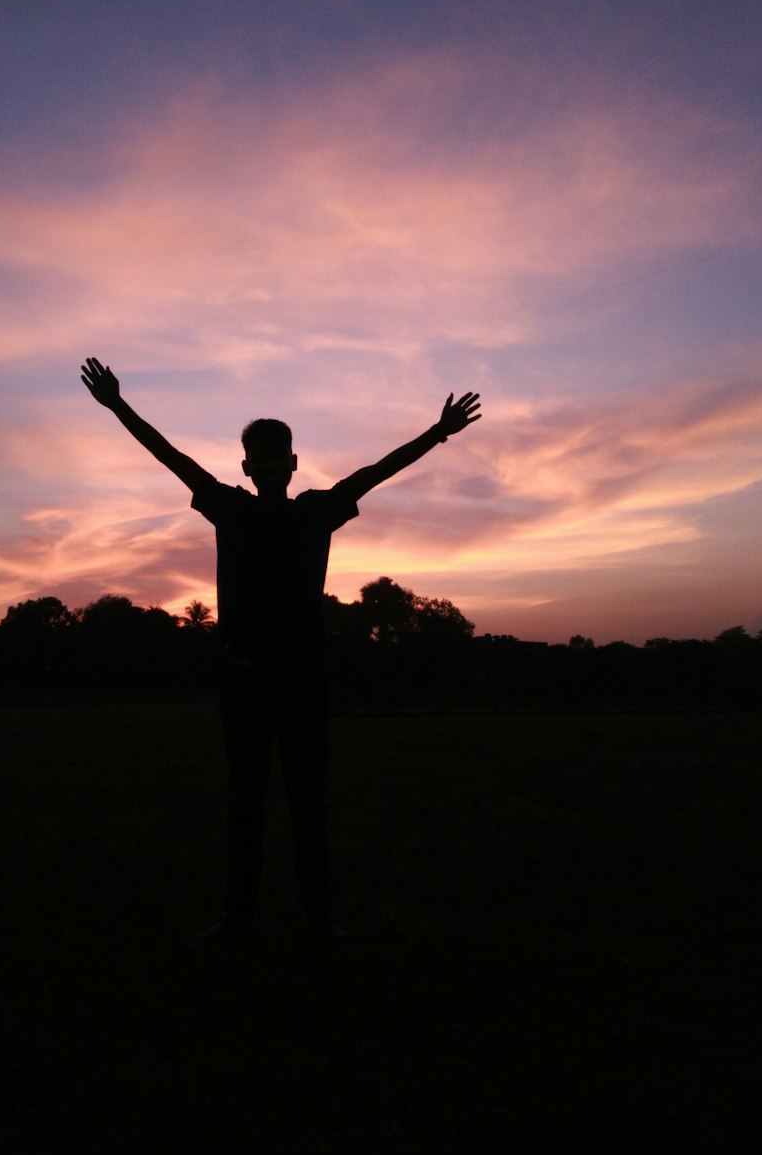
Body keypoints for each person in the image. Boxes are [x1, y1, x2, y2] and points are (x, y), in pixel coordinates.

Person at [80, 356, 481, 944]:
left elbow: (376, 471)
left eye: (277, 456)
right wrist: (118, 406)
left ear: (291, 464)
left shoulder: (316, 510)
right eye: (259, 458)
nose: (268, 465)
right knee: (244, 801)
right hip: (243, 673)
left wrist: (437, 434)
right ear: (247, 466)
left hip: (301, 674)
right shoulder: (229, 506)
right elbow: (170, 457)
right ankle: (238, 919)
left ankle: (318, 919)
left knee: (306, 803)